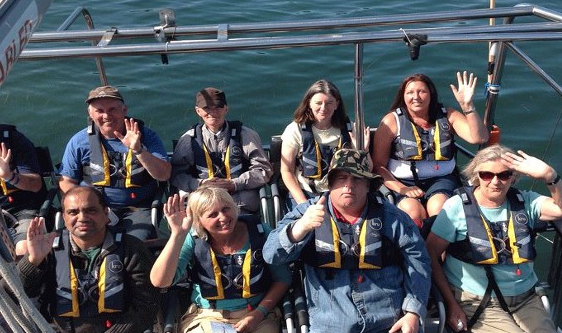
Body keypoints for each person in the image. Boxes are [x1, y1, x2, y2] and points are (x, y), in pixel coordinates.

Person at [264, 148, 431, 333]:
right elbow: (271, 254)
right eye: (341, 178)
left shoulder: (394, 219)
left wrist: (413, 313)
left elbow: (419, 262)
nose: (349, 186)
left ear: (369, 185)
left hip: (390, 326)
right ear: (330, 183)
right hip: (330, 332)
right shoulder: (307, 212)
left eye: (357, 179)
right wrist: (300, 228)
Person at [425, 144, 562, 333]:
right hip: (478, 301)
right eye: (487, 175)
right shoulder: (456, 208)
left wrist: (550, 176)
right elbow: (430, 254)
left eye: (504, 175)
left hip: (526, 298)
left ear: (513, 177)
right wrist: (451, 304)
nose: (495, 181)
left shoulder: (525, 202)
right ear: (476, 176)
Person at [17, 186, 158, 333]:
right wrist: (33, 261)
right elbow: (13, 293)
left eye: (90, 210)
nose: (82, 217)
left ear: (106, 213)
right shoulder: (47, 248)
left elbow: (146, 307)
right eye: (73, 212)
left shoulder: (131, 249)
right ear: (64, 218)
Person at [150, 186, 291, 333]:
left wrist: (259, 313)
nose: (223, 218)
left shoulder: (260, 231)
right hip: (210, 316)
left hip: (257, 315)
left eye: (226, 209)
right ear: (199, 221)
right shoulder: (192, 238)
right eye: (213, 214)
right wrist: (177, 234)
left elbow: (282, 278)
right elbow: (160, 281)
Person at [372, 72, 489, 227]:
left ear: (431, 94)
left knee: (439, 208)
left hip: (442, 180)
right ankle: (417, 247)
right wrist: (402, 189)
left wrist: (468, 107)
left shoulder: (448, 115)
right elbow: (378, 166)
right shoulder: (391, 121)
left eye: (422, 91)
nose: (416, 97)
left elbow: (479, 138)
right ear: (403, 96)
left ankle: (437, 249)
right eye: (410, 93)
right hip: (401, 182)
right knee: (413, 212)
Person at [59, 85, 171, 241]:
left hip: (138, 208)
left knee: (133, 245)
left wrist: (139, 150)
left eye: (112, 109)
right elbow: (67, 181)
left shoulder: (146, 136)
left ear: (124, 110)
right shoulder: (79, 141)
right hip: (94, 209)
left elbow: (164, 174)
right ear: (90, 114)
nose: (106, 115)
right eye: (99, 111)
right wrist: (87, 206)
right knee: (82, 240)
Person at [170, 87, 272, 215]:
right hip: (203, 208)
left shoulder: (246, 135)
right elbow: (176, 174)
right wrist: (199, 184)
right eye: (207, 108)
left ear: (226, 109)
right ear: (198, 111)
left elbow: (264, 170)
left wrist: (235, 184)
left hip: (240, 207)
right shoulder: (188, 140)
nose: (213, 112)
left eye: (218, 107)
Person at [280, 79, 367, 209]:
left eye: (329, 103)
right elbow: (286, 171)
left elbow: (367, 169)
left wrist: (362, 150)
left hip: (341, 193)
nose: (323, 108)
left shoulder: (350, 130)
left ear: (336, 105)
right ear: (309, 103)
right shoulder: (295, 130)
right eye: (318, 103)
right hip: (306, 194)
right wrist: (304, 204)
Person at [0, 117, 46, 242]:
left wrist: (8, 175)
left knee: (24, 248)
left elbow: (36, 184)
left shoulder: (12, 140)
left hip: (20, 210)